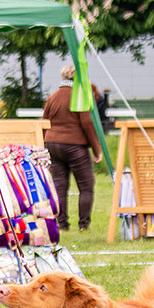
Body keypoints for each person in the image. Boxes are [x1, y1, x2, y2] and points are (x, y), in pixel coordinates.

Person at [42, 65, 103, 231]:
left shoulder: (52, 97)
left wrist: (43, 145)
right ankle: (83, 224)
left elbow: (44, 122)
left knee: (59, 186)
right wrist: (97, 149)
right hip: (75, 146)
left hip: (52, 145)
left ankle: (62, 224)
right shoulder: (79, 96)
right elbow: (87, 124)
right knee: (86, 186)